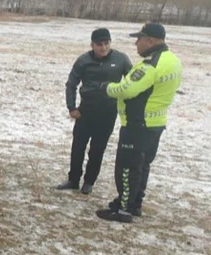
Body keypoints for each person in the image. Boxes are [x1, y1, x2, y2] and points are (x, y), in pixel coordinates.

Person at [95, 23, 182, 223]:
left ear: (150, 41)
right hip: (156, 122)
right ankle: (134, 204)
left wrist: (107, 87)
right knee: (142, 166)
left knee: (127, 167)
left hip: (138, 123)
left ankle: (124, 210)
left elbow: (127, 89)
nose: (136, 43)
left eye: (139, 39)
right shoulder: (173, 61)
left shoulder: (150, 65)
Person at [56, 28, 132, 194]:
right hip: (85, 111)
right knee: (78, 147)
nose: (103, 48)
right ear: (92, 45)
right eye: (99, 44)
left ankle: (89, 182)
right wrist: (72, 107)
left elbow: (132, 83)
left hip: (108, 112)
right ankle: (73, 179)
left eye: (106, 43)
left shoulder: (121, 59)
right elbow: (71, 84)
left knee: (97, 149)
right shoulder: (83, 60)